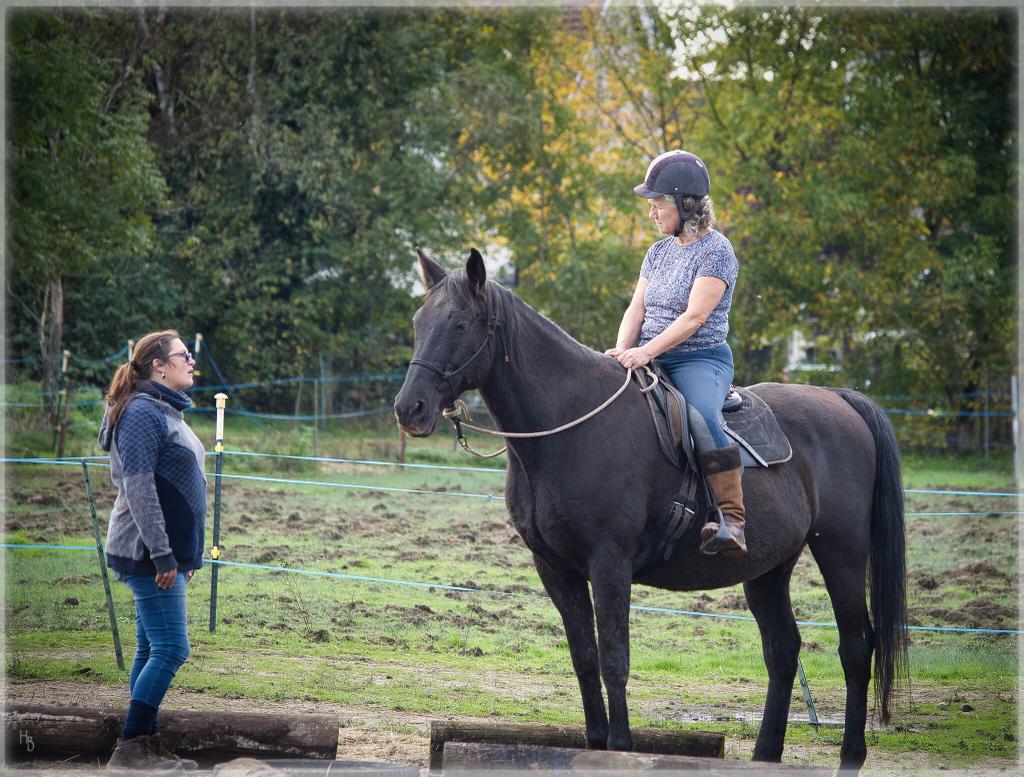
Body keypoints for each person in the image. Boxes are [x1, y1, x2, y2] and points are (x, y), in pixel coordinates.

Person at [605, 150, 746, 557]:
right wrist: (623, 350)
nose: (652, 213)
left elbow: (694, 318)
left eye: (657, 204)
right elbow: (637, 309)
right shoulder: (658, 252)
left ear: (686, 204)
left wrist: (645, 352)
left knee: (701, 416)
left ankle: (733, 520)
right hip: (650, 354)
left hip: (699, 358)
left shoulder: (717, 251)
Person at [99, 330, 206, 772]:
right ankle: (129, 748)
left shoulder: (165, 408)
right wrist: (163, 554)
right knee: (171, 648)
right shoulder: (143, 412)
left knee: (149, 647)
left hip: (166, 553)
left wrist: (188, 556)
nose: (192, 361)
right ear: (159, 365)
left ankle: (144, 740)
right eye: (185, 355)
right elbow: (139, 486)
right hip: (147, 552)